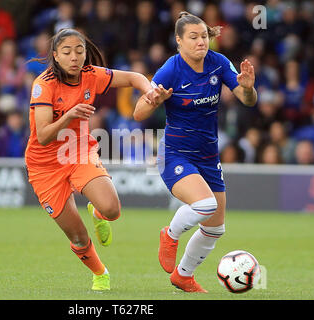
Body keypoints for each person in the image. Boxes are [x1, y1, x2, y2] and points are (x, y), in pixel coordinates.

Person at [133, 11, 257, 293]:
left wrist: (248, 89)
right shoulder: (170, 70)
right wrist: (154, 100)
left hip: (208, 157)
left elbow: (247, 100)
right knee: (205, 205)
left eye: (204, 36)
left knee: (215, 228)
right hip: (176, 155)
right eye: (194, 37)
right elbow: (138, 113)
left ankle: (183, 276)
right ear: (179, 41)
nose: (201, 41)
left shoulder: (218, 63)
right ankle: (170, 234)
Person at [25, 28, 156, 291]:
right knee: (77, 235)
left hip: (77, 151)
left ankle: (96, 211)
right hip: (44, 165)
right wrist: (70, 115)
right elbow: (43, 136)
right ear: (55, 56)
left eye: (79, 51)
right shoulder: (43, 84)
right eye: (67, 52)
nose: (74, 57)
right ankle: (100, 273)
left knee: (112, 209)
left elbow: (134, 77)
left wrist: (149, 90)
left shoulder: (90, 75)